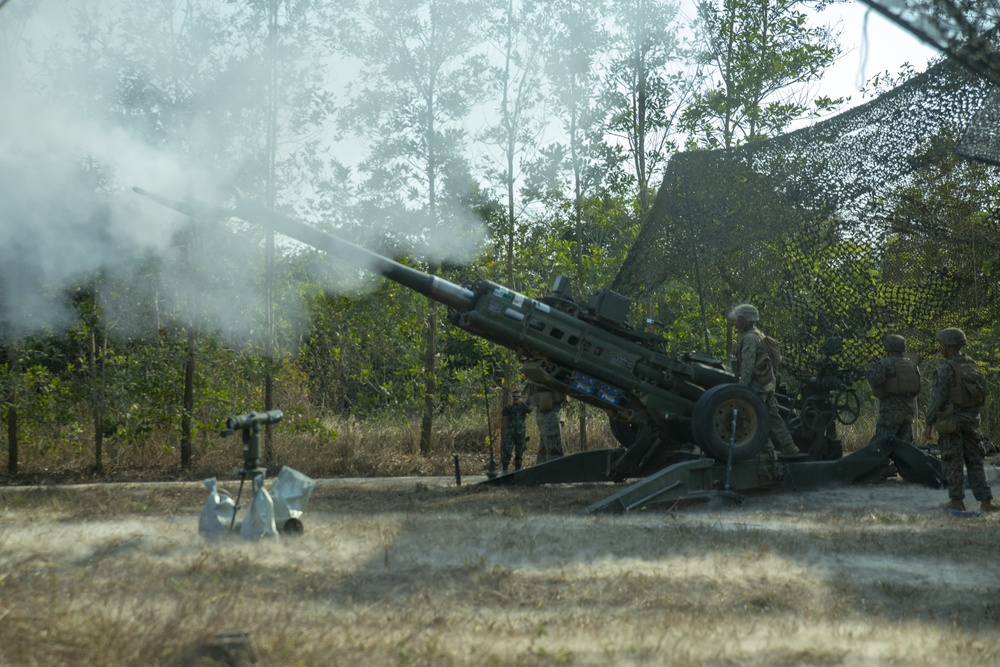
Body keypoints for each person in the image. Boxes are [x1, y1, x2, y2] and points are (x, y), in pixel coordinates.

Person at [923, 328, 999, 512]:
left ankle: (956, 500)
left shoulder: (946, 369)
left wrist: (929, 423)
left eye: (941, 344)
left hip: (952, 422)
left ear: (948, 346)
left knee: (952, 460)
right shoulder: (972, 364)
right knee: (975, 460)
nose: (940, 347)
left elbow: (937, 399)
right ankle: (986, 501)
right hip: (973, 422)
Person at [729, 304, 800, 457]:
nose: (736, 322)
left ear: (746, 320)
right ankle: (790, 446)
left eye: (739, 319)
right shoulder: (758, 334)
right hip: (767, 385)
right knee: (774, 418)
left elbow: (747, 366)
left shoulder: (748, 339)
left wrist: (742, 390)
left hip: (756, 388)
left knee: (754, 420)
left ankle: (767, 452)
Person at [866, 334, 921, 444]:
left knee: (881, 445)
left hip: (890, 411)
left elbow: (876, 380)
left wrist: (869, 371)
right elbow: (917, 387)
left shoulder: (885, 363)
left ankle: (883, 462)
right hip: (907, 410)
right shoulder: (911, 364)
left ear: (888, 347)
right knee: (905, 447)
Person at [524, 381, 565, 464]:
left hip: (545, 413)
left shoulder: (537, 375)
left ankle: (539, 475)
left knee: (543, 452)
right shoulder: (543, 375)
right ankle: (553, 475)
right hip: (549, 414)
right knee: (554, 453)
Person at [500, 390, 531, 474]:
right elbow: (503, 412)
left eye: (518, 397)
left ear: (521, 397)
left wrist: (523, 402)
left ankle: (517, 470)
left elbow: (530, 410)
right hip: (510, 433)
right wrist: (509, 404)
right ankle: (504, 470)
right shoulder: (510, 406)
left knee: (519, 452)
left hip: (520, 433)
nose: (516, 399)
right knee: (507, 451)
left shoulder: (523, 406)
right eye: (515, 397)